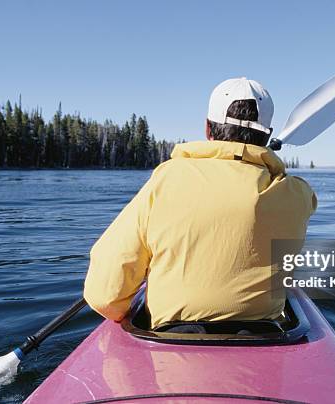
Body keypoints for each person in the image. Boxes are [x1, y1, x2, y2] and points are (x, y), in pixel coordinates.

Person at [84, 77, 317, 329]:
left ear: (208, 128)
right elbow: (303, 198)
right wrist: (269, 163)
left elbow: (104, 295)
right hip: (265, 334)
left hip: (172, 337)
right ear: (267, 135)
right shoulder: (296, 194)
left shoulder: (166, 179)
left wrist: (120, 311)